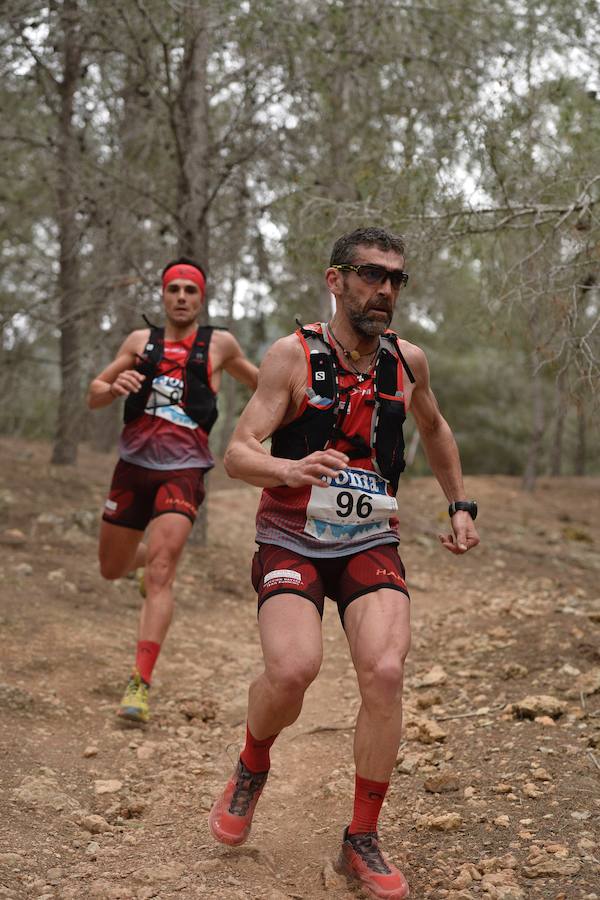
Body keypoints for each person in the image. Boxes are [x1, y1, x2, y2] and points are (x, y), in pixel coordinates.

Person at [208, 228, 479, 900]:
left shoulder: (407, 362)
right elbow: (238, 451)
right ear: (336, 280)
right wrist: (289, 466)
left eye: (396, 279)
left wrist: (459, 504)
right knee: (294, 669)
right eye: (370, 274)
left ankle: (361, 836)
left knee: (385, 671)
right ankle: (252, 763)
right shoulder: (290, 356)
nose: (384, 289)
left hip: (368, 540)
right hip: (289, 535)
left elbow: (436, 428)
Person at [87, 257, 258, 724]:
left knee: (164, 568)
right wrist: (112, 386)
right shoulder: (139, 343)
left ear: (201, 299)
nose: (181, 297)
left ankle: (139, 684)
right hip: (132, 468)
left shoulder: (219, 344)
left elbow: (267, 385)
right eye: (174, 289)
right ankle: (137, 564)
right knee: (112, 567)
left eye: (190, 290)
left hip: (184, 470)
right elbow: (94, 392)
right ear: (163, 296)